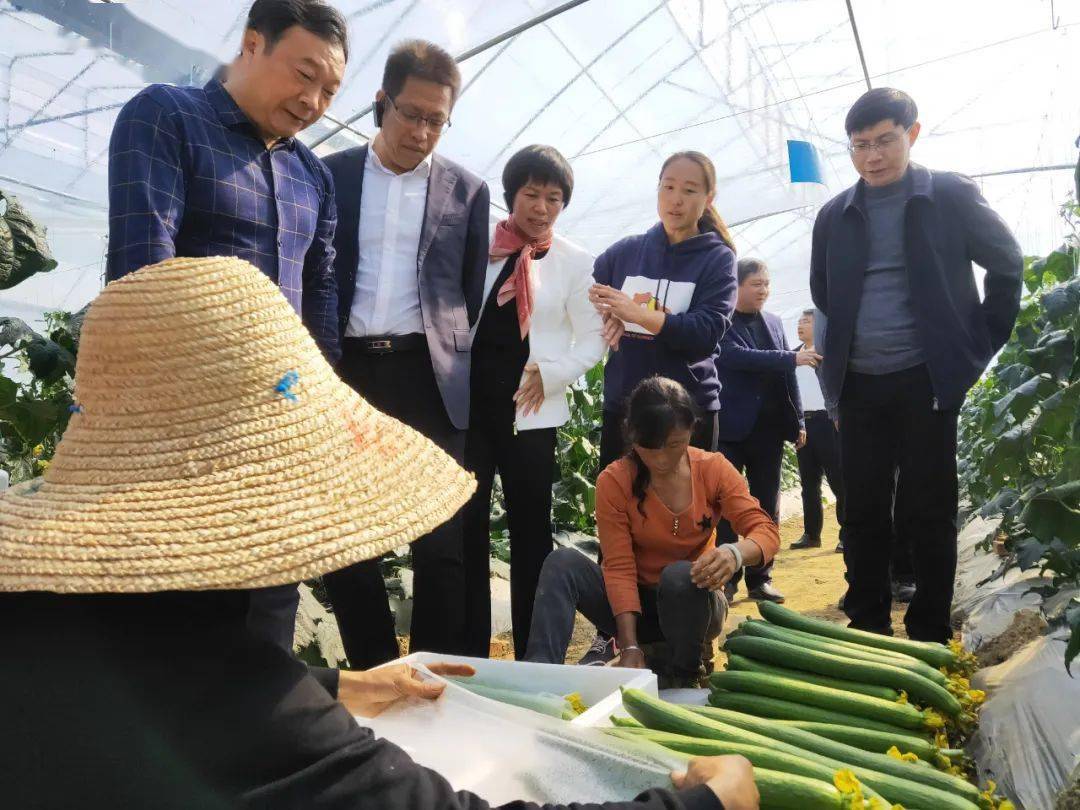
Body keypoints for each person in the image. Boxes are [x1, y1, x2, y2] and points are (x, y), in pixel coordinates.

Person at [0, 256, 758, 810]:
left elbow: (149, 683)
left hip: (690, 599)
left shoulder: (36, 625)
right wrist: (698, 806)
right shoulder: (249, 716)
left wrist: (340, 684)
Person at [104, 0, 348, 654]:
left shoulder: (313, 178)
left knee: (267, 620)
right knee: (179, 628)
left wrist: (317, 404)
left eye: (329, 89)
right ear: (251, 43)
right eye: (305, 74)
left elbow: (319, 295)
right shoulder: (168, 117)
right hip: (185, 429)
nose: (315, 99)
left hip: (277, 436)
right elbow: (140, 269)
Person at [810, 87, 1023, 642]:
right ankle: (870, 625)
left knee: (928, 508)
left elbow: (1007, 262)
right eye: (860, 145)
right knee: (861, 510)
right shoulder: (835, 215)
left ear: (913, 134)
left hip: (926, 380)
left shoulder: (947, 195)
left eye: (885, 140)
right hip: (859, 383)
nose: (873, 155)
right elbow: (824, 292)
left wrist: (977, 343)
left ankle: (929, 628)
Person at [321, 40, 490, 667]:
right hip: (346, 374)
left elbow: (465, 294)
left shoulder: (467, 191)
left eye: (436, 120)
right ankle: (375, 670)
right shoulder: (329, 176)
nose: (422, 132)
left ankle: (431, 678)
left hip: (430, 376)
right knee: (347, 534)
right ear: (380, 103)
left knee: (440, 539)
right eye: (410, 114)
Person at [582, 151, 738, 665]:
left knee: (684, 528)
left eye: (690, 190)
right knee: (622, 525)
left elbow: (704, 335)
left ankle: (688, 638)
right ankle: (621, 636)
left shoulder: (716, 259)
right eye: (669, 186)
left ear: (707, 199)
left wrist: (640, 313)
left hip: (687, 415)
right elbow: (591, 287)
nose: (677, 198)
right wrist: (607, 312)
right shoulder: (627, 252)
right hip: (627, 412)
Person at [525, 377, 780, 688]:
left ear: (691, 430)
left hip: (694, 605)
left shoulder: (712, 470)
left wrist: (735, 553)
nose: (661, 459)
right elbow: (618, 567)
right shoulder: (615, 481)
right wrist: (630, 645)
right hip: (635, 608)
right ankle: (537, 678)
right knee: (561, 563)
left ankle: (686, 673)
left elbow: (765, 531)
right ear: (633, 437)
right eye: (650, 447)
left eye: (673, 445)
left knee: (678, 576)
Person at [462, 145, 604, 660]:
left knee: (530, 534)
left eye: (553, 198)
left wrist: (553, 373)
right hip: (473, 409)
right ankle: (471, 648)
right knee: (466, 529)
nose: (541, 207)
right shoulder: (480, 245)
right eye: (531, 193)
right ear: (511, 194)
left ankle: (534, 654)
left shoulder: (572, 261)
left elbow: (593, 339)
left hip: (532, 412)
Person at [714, 259, 815, 604]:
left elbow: (787, 375)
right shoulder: (721, 320)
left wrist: (798, 420)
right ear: (737, 286)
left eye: (767, 284)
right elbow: (737, 357)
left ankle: (762, 578)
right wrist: (791, 358)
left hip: (768, 431)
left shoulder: (773, 322)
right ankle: (727, 580)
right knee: (727, 507)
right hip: (731, 428)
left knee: (766, 504)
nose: (764, 291)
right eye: (756, 284)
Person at [790, 308, 845, 551]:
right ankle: (812, 535)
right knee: (808, 483)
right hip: (803, 424)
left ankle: (847, 534)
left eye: (807, 321)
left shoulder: (827, 354)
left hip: (827, 421)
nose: (801, 325)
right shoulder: (792, 356)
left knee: (838, 480)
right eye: (799, 321)